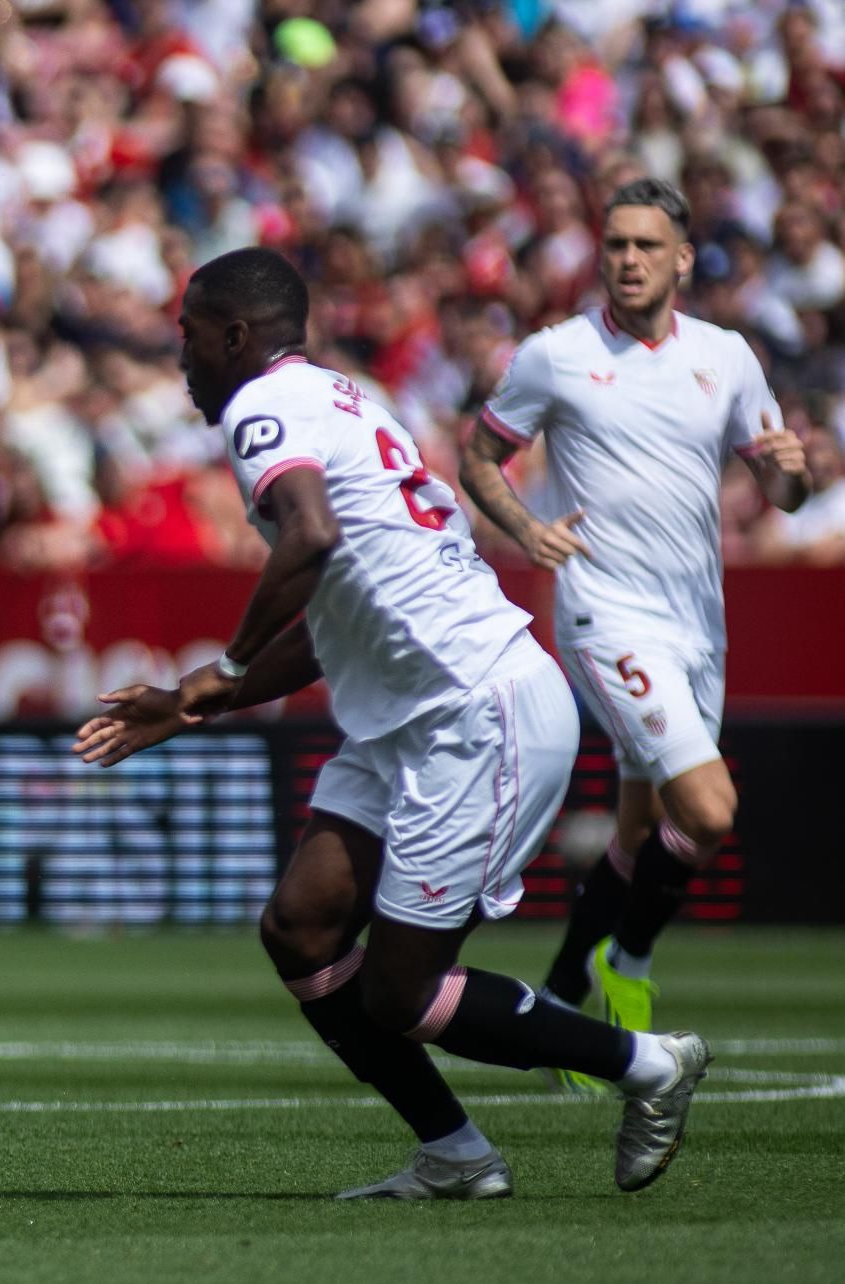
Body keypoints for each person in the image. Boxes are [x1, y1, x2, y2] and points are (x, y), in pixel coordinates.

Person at [74, 248, 710, 1199]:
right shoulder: (348, 399)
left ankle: (647, 1064)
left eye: (190, 335)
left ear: (237, 336)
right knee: (300, 928)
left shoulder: (262, 408)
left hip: (475, 709)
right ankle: (454, 1155)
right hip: (410, 718)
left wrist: (227, 665)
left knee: (400, 991)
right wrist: (197, 699)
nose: (183, 358)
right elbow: (336, 614)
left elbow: (311, 539)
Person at [461, 178, 810, 1084]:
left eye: (645, 246)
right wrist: (523, 528)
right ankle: (632, 961)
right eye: (614, 243)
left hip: (697, 620)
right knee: (707, 809)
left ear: (681, 259)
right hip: (602, 611)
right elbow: (479, 453)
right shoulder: (555, 355)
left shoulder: (726, 357)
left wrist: (791, 475)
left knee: (641, 823)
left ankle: (564, 999)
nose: (626, 259)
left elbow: (777, 487)